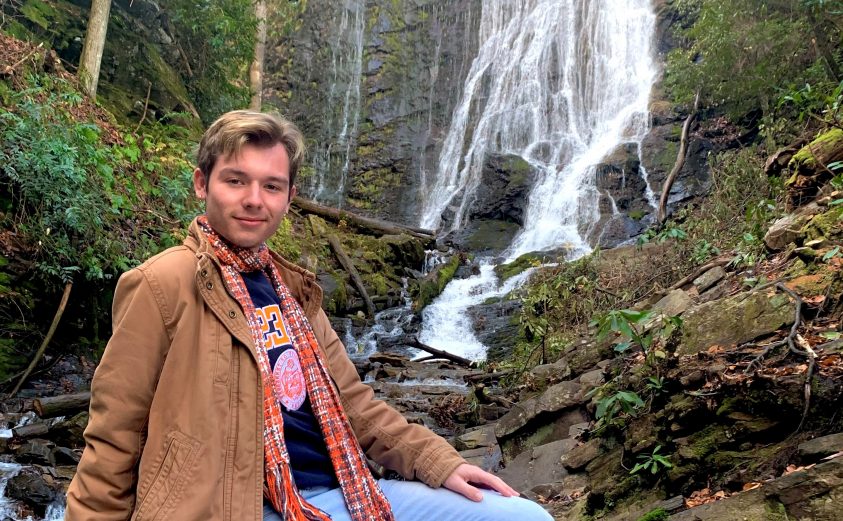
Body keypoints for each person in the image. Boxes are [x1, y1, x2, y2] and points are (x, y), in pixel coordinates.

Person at [65, 110, 552, 521]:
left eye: (271, 186)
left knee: (522, 515)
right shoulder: (162, 283)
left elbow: (355, 404)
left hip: (339, 493)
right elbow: (114, 438)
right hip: (233, 507)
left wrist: (435, 461)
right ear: (201, 184)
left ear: (289, 197)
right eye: (236, 180)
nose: (254, 199)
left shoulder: (293, 291)